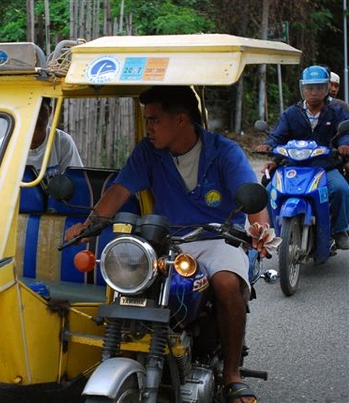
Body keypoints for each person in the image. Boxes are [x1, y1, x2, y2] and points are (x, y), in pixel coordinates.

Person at [65, 86, 269, 403]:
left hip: (217, 238)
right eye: (148, 121)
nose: (149, 128)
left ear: (181, 120)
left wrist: (261, 231)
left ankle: (231, 376)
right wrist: (87, 226)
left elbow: (252, 199)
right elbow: (118, 192)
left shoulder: (224, 152)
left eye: (155, 120)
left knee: (227, 284)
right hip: (168, 240)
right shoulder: (148, 152)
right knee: (127, 280)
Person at [254, 65, 349, 249]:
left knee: (341, 189)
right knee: (269, 190)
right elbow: (278, 135)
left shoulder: (336, 111)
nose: (314, 92)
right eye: (309, 87)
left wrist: (345, 145)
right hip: (292, 166)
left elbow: (344, 133)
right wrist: (268, 145)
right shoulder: (291, 113)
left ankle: (339, 230)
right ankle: (271, 228)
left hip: (325, 166)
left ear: (326, 88)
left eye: (319, 87)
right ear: (302, 88)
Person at [0, 98, 83, 178]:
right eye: (31, 110)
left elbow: (75, 181)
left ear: (50, 111)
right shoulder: (4, 147)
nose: (36, 117)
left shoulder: (62, 142)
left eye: (41, 110)